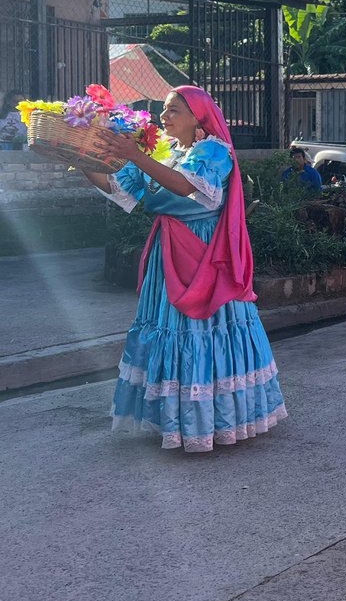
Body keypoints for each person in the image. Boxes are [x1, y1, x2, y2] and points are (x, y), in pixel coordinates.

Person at [84, 87, 286, 452]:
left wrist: (136, 156)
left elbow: (185, 186)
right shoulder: (162, 153)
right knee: (171, 329)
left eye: (174, 110)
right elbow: (117, 187)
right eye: (163, 110)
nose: (165, 117)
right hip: (169, 251)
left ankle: (216, 421)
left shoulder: (213, 151)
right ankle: (175, 421)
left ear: (198, 117)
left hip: (206, 252)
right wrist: (80, 158)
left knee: (204, 329)